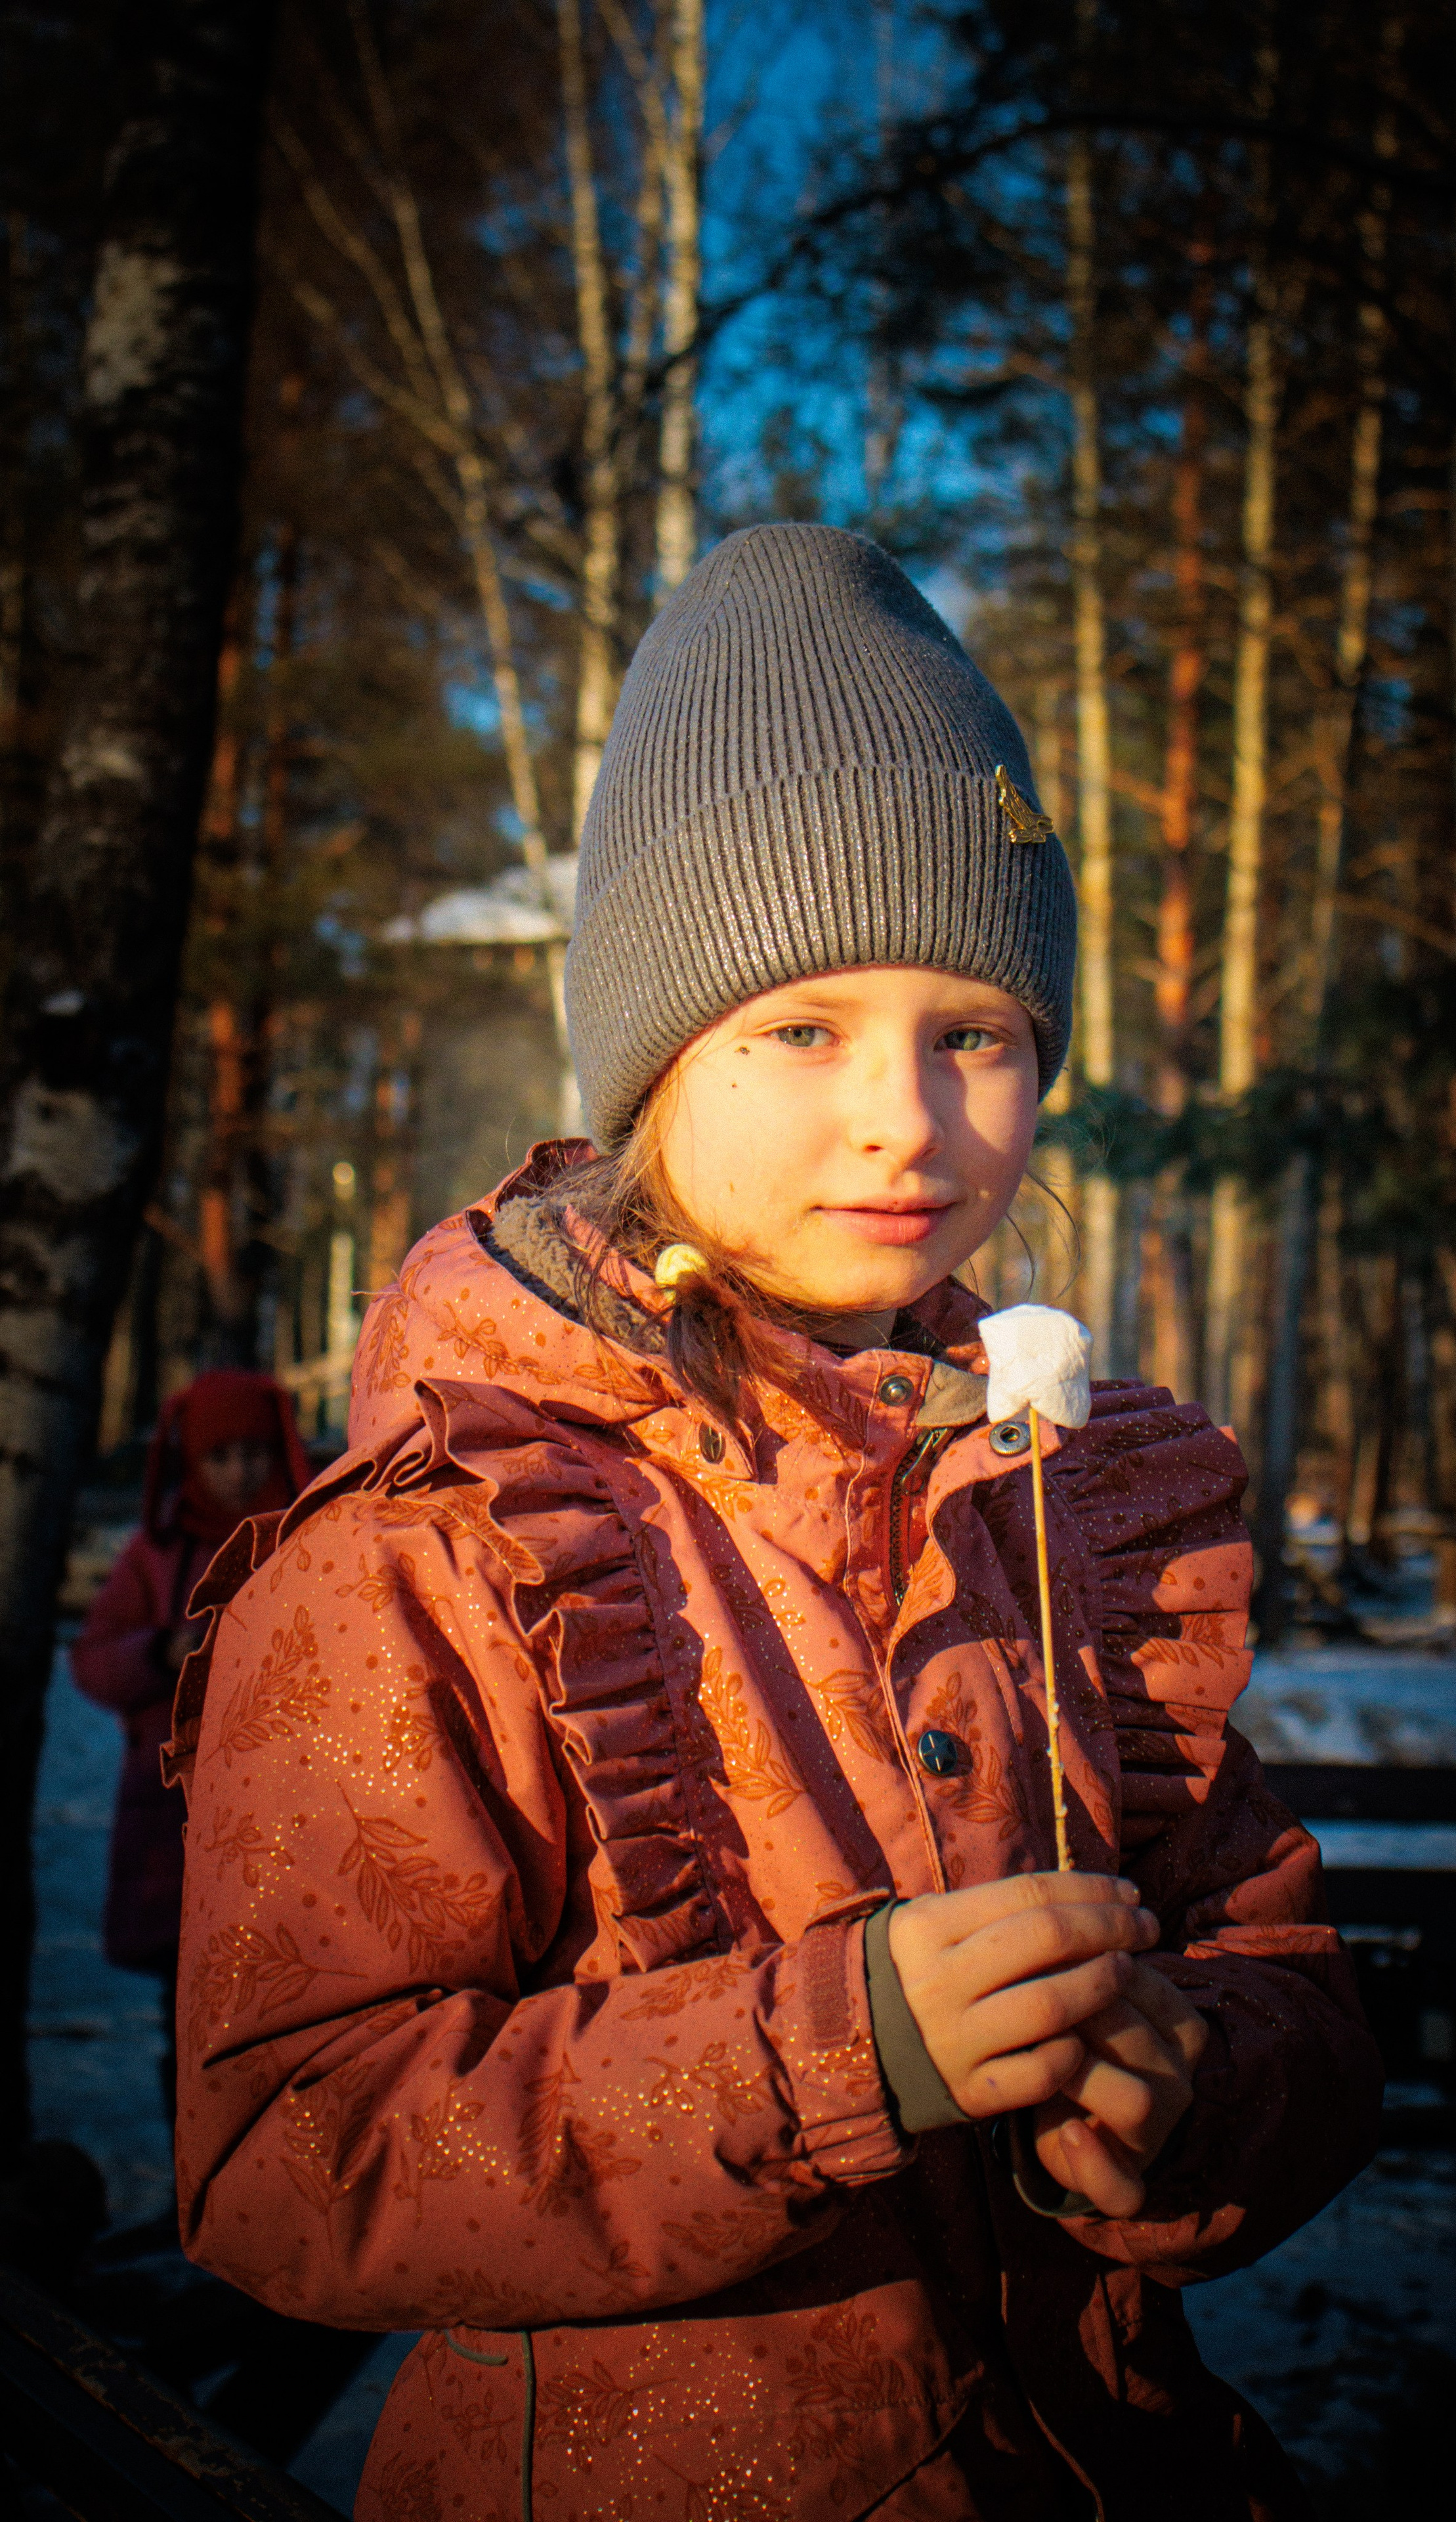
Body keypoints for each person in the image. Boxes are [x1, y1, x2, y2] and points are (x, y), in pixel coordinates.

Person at [168, 526, 1382, 2521]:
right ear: (652, 1058)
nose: (905, 1113)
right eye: (800, 1027)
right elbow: (292, 2146)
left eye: (971, 1030)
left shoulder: (1077, 1508)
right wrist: (840, 2049)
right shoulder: (439, 1541)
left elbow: (1290, 1963)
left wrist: (1196, 2074)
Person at [72, 1368, 308, 2120]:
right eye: (222, 1455)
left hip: (289, 1813)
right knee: (193, 2016)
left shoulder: (306, 1540)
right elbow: (93, 1659)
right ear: (191, 1462)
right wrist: (160, 1652)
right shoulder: (158, 1553)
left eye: (255, 1452)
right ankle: (199, 2185)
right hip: (177, 1820)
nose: (241, 1471)